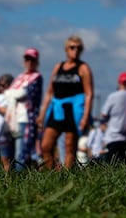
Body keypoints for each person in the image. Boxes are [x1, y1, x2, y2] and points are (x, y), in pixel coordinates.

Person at [42, 36, 94, 170]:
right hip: (57, 108)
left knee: (70, 145)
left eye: (78, 48)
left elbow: (89, 93)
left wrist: (85, 117)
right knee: (46, 145)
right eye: (72, 47)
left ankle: (66, 176)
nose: (75, 50)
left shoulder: (83, 68)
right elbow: (49, 92)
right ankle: (50, 173)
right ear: (66, 49)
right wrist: (42, 114)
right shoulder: (58, 67)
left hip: (73, 109)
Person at [8, 48, 43, 169]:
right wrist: (14, 93)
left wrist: (13, 93)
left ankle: (19, 179)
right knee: (11, 151)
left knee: (21, 152)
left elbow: (25, 93)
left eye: (32, 59)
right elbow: (8, 93)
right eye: (27, 59)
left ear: (36, 61)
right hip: (13, 118)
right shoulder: (20, 77)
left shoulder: (37, 77)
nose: (29, 62)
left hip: (26, 118)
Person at [98, 72, 126, 163]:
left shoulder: (113, 96)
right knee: (125, 164)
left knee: (112, 165)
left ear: (119, 82)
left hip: (113, 137)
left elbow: (103, 114)